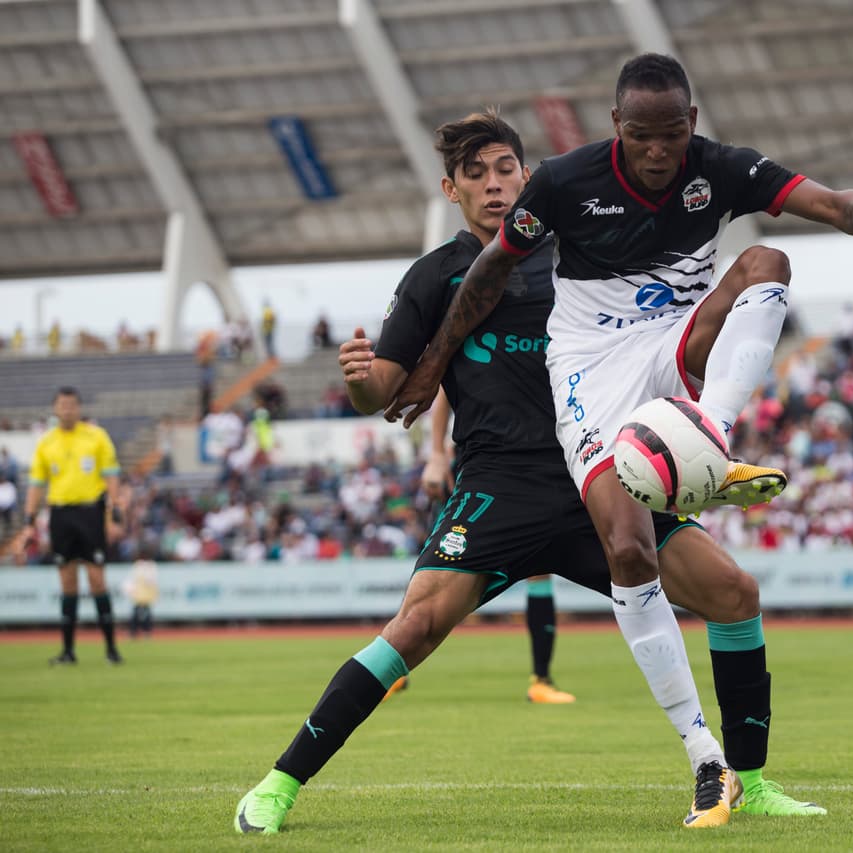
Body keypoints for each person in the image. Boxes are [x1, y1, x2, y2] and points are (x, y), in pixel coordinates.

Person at [235, 109, 819, 837]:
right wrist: (358, 379)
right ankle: (279, 783)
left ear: (527, 173)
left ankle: (752, 782)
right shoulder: (435, 276)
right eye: (475, 174)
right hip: (500, 487)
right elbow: (385, 389)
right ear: (451, 189)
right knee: (414, 626)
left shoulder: (578, 251)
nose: (493, 185)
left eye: (505, 168)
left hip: (603, 472)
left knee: (733, 592)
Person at [385, 44, 853, 789]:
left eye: (671, 133)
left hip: (671, 344)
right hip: (590, 368)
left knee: (767, 264)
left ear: (691, 122)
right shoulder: (566, 181)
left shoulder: (722, 167)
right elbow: (490, 270)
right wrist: (435, 360)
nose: (658, 150)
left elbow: (836, 205)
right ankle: (704, 755)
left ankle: (717, 440)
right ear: (616, 127)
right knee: (628, 549)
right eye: (641, 135)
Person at [423, 387, 574, 703]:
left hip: (534, 464)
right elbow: (445, 395)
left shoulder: (556, 343)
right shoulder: (471, 342)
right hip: (479, 468)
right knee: (438, 568)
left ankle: (541, 680)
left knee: (541, 567)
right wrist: (437, 452)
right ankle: (390, 666)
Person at [21, 387, 125, 665]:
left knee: (96, 579)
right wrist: (29, 521)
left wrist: (115, 513)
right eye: (62, 405)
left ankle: (111, 649)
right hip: (61, 515)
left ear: (79, 408)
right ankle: (68, 651)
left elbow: (112, 476)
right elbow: (36, 485)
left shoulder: (96, 436)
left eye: (72, 405)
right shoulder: (46, 443)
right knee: (67, 581)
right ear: (55, 409)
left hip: (90, 512)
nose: (67, 410)